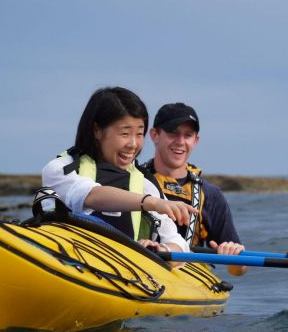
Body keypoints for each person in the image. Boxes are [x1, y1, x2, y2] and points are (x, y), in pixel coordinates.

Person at [41, 87, 196, 259]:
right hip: (70, 262)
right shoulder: (61, 169)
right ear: (97, 130)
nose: (133, 144)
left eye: (139, 134)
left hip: (126, 276)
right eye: (125, 133)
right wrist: (151, 203)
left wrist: (160, 249)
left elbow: (178, 242)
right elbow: (91, 195)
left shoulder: (145, 184)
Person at [142, 103, 247, 276]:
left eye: (188, 135)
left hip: (187, 279)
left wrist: (234, 256)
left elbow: (238, 270)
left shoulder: (210, 194)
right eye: (173, 133)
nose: (180, 142)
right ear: (155, 135)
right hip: (141, 268)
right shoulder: (134, 181)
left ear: (195, 140)